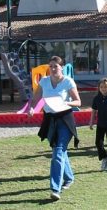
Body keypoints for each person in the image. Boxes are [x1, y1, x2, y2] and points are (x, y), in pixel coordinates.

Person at [28, 56, 81, 201]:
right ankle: (69, 178)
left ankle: (55, 189)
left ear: (61, 67)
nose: (52, 69)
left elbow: (78, 101)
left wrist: (65, 103)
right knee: (59, 150)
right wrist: (32, 108)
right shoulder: (44, 81)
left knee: (57, 152)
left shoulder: (68, 81)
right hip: (50, 120)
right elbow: (36, 98)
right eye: (50, 66)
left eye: (55, 66)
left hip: (65, 119)